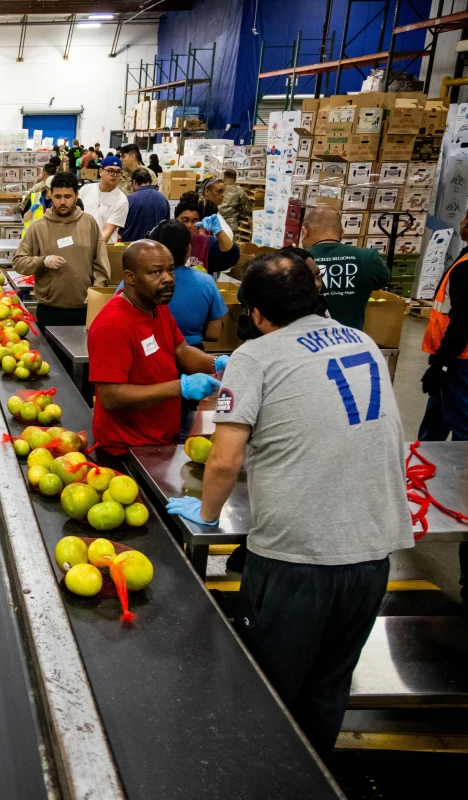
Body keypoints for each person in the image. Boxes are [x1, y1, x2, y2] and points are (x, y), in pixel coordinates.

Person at [165, 251, 411, 759]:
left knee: (268, 691)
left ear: (254, 313)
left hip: (299, 559)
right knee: (328, 686)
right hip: (373, 549)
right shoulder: (362, 340)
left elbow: (224, 461)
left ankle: (264, 779)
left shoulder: (256, 356)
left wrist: (206, 515)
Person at [87, 240, 223, 456]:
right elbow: (110, 397)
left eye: (170, 270)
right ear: (130, 277)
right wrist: (181, 387)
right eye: (156, 272)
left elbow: (181, 350)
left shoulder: (156, 308)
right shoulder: (112, 325)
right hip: (127, 450)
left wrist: (216, 363)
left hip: (160, 439)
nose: (168, 278)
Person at [420, 195, 468, 445]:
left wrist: (441, 364)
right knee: (436, 423)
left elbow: (464, 319)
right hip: (461, 357)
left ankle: (462, 482)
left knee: (465, 430)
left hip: (464, 360)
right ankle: (423, 466)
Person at [12, 171, 110, 327]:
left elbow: (101, 263)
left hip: (85, 309)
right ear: (50, 195)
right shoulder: (39, 227)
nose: (62, 202)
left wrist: (97, 290)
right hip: (50, 311)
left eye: (68, 197)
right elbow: (18, 262)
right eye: (58, 197)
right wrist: (43, 261)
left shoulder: (89, 223)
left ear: (76, 196)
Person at [299, 206, 389, 331]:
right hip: (352, 341)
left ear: (305, 231)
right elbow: (383, 281)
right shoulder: (369, 258)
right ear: (342, 234)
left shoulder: (295, 261)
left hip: (309, 341)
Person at [148, 220, 227, 347]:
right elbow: (214, 334)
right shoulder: (205, 282)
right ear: (188, 249)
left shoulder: (137, 281)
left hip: (150, 350)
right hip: (193, 354)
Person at [174, 191, 239, 275]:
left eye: (194, 220)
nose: (190, 225)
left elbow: (230, 258)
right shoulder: (168, 238)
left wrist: (219, 232)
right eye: (185, 220)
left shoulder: (205, 243)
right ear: (175, 219)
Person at [78, 155, 129, 243]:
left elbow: (107, 231)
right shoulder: (85, 189)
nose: (114, 175)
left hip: (103, 249)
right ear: (101, 171)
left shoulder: (121, 200)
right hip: (81, 244)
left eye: (118, 172)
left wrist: (92, 251)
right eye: (110, 171)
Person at [121, 168, 171, 242]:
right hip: (156, 247)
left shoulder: (128, 200)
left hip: (131, 248)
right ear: (150, 182)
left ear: (134, 182)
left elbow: (120, 227)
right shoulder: (163, 199)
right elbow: (166, 225)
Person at [218, 169, 252, 240]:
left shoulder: (217, 188)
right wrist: (238, 217)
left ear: (223, 178)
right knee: (231, 247)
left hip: (216, 222)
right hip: (231, 224)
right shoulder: (239, 191)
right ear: (235, 180)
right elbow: (247, 209)